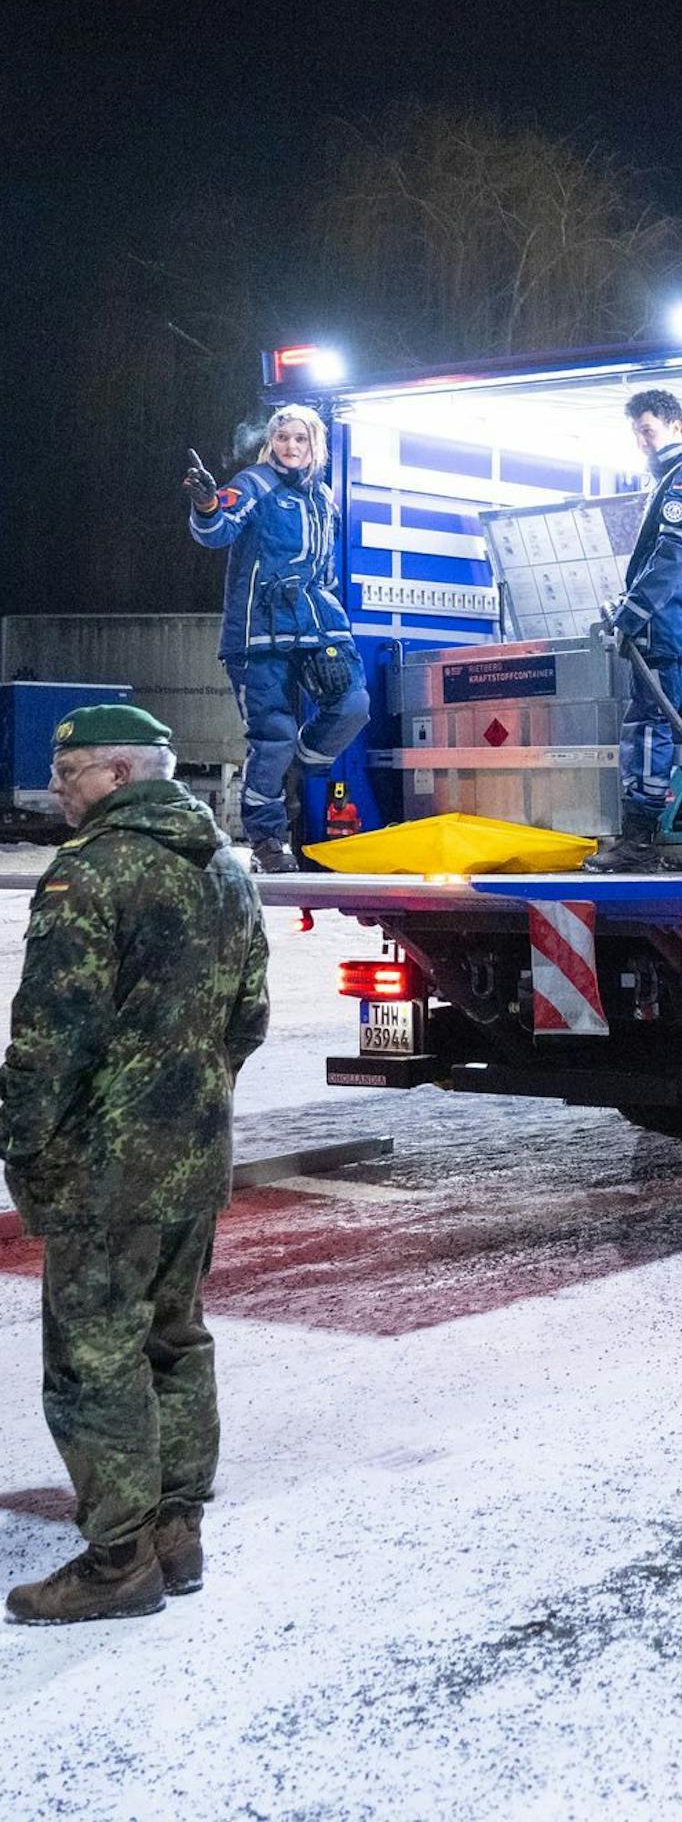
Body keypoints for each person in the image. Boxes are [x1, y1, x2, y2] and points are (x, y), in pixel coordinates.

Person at [2, 705, 270, 1623]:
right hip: (194, 1157)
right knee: (174, 1338)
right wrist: (186, 1099)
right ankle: (174, 1535)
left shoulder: (90, 875)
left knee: (94, 1362)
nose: (56, 787)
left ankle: (117, 1562)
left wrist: (22, 1139)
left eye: (69, 770)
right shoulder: (225, 871)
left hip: (104, 1171)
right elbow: (249, 1020)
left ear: (119, 774)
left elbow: (50, 1037)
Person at [184, 404, 369, 874]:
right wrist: (206, 504)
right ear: (271, 442)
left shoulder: (325, 499)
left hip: (312, 625)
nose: (290, 446)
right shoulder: (254, 484)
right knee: (273, 737)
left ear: (315, 446)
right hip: (256, 634)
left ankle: (298, 766)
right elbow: (217, 530)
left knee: (353, 706)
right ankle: (268, 839)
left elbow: (325, 571)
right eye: (282, 437)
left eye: (300, 439)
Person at [585, 388, 682, 873]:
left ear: (675, 425)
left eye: (647, 431)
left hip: (670, 634)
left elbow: (674, 555)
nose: (642, 442)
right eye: (636, 433)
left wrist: (630, 614)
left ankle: (638, 843)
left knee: (649, 728)